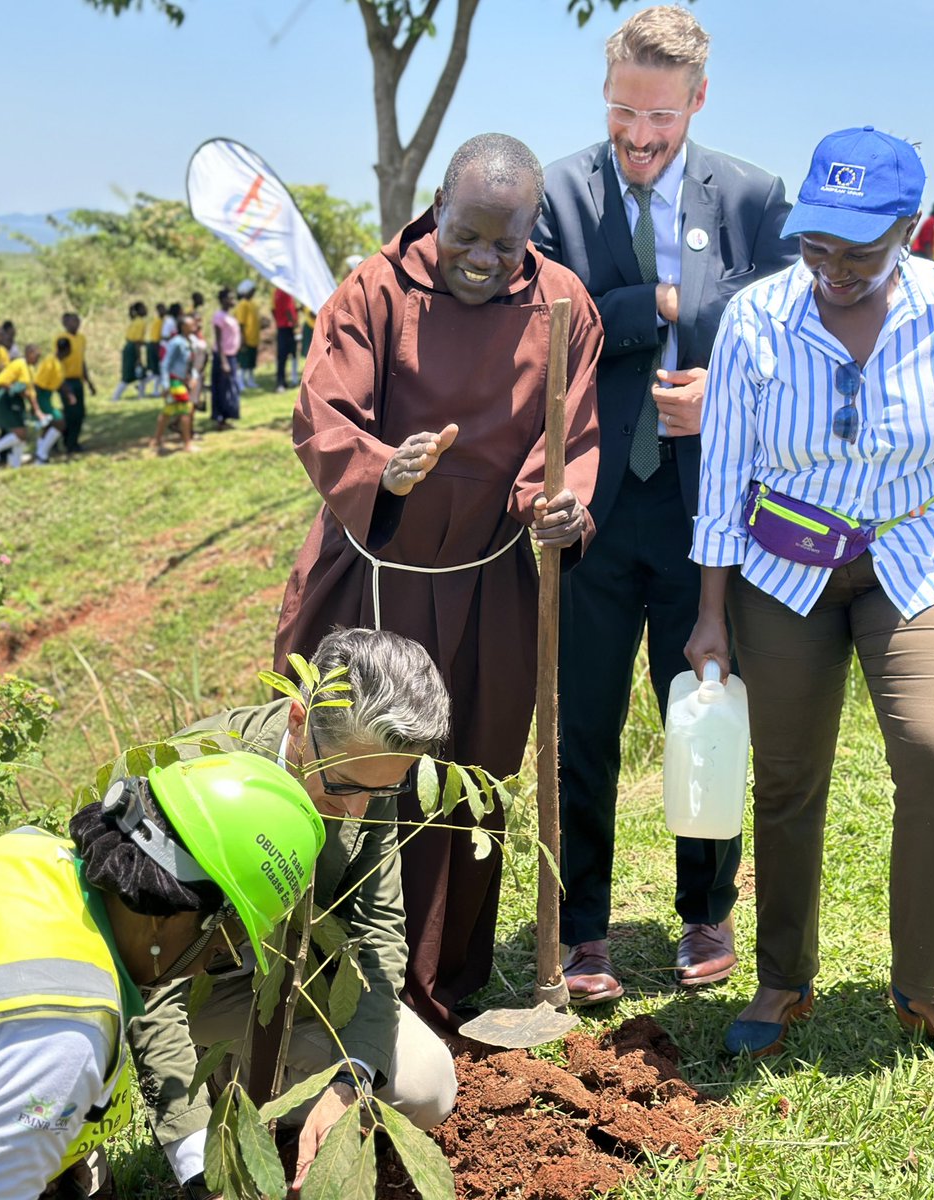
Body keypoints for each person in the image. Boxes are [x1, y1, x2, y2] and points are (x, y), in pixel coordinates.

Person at [274, 132, 601, 1033]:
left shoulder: (562, 304)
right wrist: (387, 467)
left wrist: (556, 508)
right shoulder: (375, 290)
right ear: (436, 208)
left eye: (507, 243)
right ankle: (319, 971)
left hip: (493, 579)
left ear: (533, 230)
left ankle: (443, 981)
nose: (484, 261)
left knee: (472, 773)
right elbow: (322, 416)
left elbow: (565, 440)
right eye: (467, 235)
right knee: (342, 766)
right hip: (373, 572)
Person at [533, 5, 796, 1003]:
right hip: (592, 509)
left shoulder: (756, 197)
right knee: (585, 725)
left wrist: (717, 387)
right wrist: (661, 312)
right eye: (621, 115)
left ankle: (704, 912)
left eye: (661, 120)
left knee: (703, 712)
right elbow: (550, 320)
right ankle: (585, 930)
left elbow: (785, 322)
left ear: (697, 99)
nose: (639, 139)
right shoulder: (554, 194)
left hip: (705, 516)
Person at [686, 127, 934, 1058]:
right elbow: (722, 474)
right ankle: (781, 980)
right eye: (815, 246)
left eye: (858, 251)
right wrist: (712, 616)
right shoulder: (757, 318)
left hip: (914, 555)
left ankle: (927, 987)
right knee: (787, 779)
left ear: (911, 231)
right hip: (783, 571)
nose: (832, 269)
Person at [129, 628, 459, 1198]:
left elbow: (380, 930)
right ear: (301, 721)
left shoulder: (367, 767)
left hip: (296, 987)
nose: (358, 808)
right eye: (343, 787)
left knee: (426, 1088)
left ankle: (259, 1083)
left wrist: (350, 1081)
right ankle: (221, 1079)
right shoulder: (198, 776)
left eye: (381, 790)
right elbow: (148, 978)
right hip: (191, 988)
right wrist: (192, 1156)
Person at [0, 751, 325, 1199]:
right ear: (167, 917)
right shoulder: (71, 1032)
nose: (206, 966)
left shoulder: (29, 852)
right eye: (222, 946)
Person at [154, 315, 197, 454]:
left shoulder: (190, 341)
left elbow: (191, 363)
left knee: (168, 411)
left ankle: (157, 440)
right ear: (183, 327)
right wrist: (166, 385)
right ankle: (187, 443)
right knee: (185, 410)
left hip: (184, 381)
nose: (194, 326)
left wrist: (194, 377)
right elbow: (165, 364)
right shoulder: (176, 343)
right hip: (175, 381)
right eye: (191, 324)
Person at [0, 345, 40, 468]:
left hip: (15, 401)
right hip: (5, 399)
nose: (37, 359)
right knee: (19, 433)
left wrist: (36, 408)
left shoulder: (29, 368)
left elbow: (29, 390)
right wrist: (16, 390)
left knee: (23, 433)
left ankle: (16, 464)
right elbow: (0, 381)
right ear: (29, 353)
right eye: (36, 356)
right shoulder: (20, 364)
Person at [57, 312, 96, 455]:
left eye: (78, 321)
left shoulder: (81, 339)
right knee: (71, 412)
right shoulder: (62, 339)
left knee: (80, 412)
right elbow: (57, 360)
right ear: (65, 324)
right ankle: (67, 442)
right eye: (73, 321)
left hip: (77, 379)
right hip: (65, 380)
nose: (76, 324)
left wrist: (88, 381)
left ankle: (73, 441)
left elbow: (82, 360)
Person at [31, 336, 74, 465]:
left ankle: (40, 458)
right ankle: (41, 454)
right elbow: (38, 383)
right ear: (67, 350)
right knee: (59, 422)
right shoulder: (50, 362)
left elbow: (60, 382)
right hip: (41, 395)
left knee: (47, 426)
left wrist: (68, 394)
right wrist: (36, 405)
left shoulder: (59, 363)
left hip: (48, 395)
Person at [210, 287, 241, 431]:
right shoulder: (219, 317)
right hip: (224, 357)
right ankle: (220, 419)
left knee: (231, 387)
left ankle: (227, 416)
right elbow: (219, 340)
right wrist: (223, 361)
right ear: (223, 300)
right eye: (230, 298)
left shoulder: (230, 316)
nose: (233, 300)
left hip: (232, 356)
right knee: (223, 388)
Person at [111, 302, 149, 402]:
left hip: (128, 347)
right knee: (128, 375)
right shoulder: (141, 322)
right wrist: (139, 357)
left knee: (142, 374)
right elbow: (137, 341)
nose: (146, 310)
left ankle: (141, 396)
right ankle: (115, 397)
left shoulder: (135, 321)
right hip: (133, 348)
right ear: (139, 311)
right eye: (144, 308)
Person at [234, 280, 261, 389]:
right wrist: (242, 339)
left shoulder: (253, 304)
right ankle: (240, 382)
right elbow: (240, 323)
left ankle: (250, 380)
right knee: (243, 363)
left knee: (251, 363)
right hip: (246, 338)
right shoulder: (242, 304)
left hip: (254, 338)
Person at [272, 286, 298, 392]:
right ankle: (283, 382)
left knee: (282, 357)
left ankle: (282, 381)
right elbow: (288, 310)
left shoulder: (276, 292)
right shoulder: (286, 292)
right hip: (287, 327)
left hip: (281, 327)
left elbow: (273, 310)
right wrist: (295, 324)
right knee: (291, 354)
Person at [146, 302, 166, 382]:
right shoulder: (159, 322)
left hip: (155, 345)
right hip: (155, 345)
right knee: (157, 369)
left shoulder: (161, 321)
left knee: (157, 369)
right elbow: (156, 337)